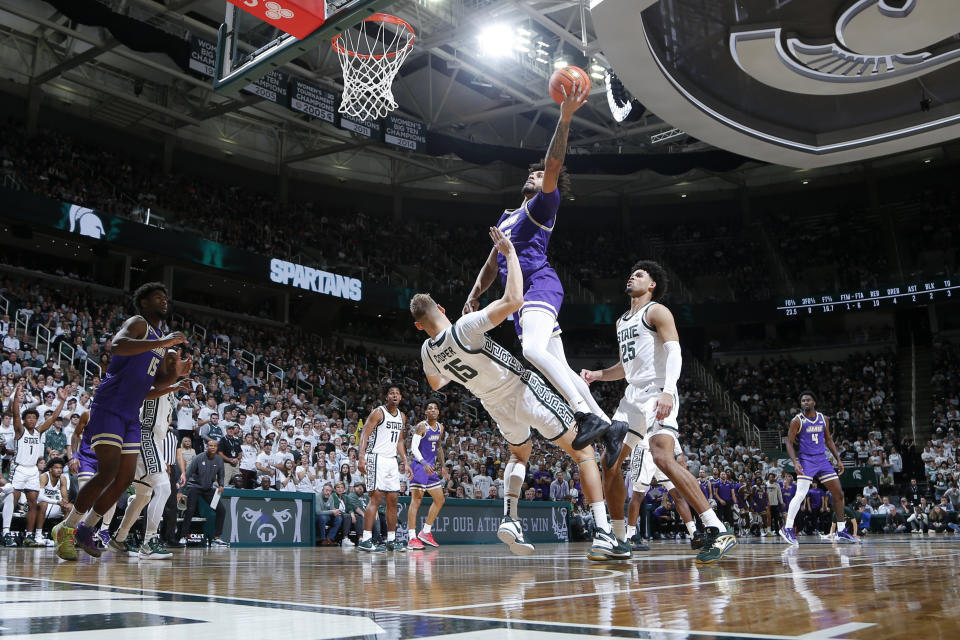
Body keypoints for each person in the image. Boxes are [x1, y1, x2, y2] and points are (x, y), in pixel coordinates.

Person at [413, 227, 624, 560]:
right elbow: (514, 301)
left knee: (518, 455)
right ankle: (604, 534)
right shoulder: (464, 328)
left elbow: (437, 384)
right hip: (522, 389)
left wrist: (462, 364)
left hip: (493, 405)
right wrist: (510, 254)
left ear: (418, 326)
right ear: (440, 307)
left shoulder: (427, 351)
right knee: (583, 453)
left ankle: (511, 516)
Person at [462, 81, 609, 445]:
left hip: (539, 284)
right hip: (517, 297)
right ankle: (610, 425)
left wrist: (565, 116)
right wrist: (474, 294)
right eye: (532, 173)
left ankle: (584, 414)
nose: (535, 175)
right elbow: (492, 264)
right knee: (556, 363)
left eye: (540, 174)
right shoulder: (509, 214)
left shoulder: (544, 205)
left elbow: (554, 161)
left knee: (531, 352)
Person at [581, 262, 737, 564]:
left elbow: (674, 351)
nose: (631, 276)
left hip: (657, 391)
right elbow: (625, 367)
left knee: (663, 457)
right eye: (631, 273)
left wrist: (668, 390)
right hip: (632, 396)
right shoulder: (622, 321)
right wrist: (598, 374)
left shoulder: (657, 311)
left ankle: (717, 528)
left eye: (639, 275)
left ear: (651, 285)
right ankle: (620, 539)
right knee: (609, 461)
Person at [52, 283, 192, 561]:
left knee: (125, 478)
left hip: (131, 413)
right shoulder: (138, 323)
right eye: (156, 297)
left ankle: (86, 529)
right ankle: (66, 528)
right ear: (143, 303)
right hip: (109, 405)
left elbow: (150, 387)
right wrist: (163, 344)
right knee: (108, 472)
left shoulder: (160, 342)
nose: (163, 301)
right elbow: (117, 345)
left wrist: (175, 376)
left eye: (165, 297)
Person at [109, 379, 189, 558]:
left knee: (143, 496)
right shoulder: (152, 379)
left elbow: (166, 418)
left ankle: (119, 538)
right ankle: (148, 543)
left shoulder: (172, 391)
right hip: (146, 435)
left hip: (155, 440)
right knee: (164, 488)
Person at [779, 391, 857, 545]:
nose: (805, 403)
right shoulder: (797, 420)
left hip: (822, 459)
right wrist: (795, 462)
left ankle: (841, 531)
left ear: (814, 402)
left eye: (808, 400)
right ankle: (787, 528)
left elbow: (829, 440)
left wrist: (838, 460)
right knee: (801, 493)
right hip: (806, 460)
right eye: (803, 401)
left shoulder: (823, 419)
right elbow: (789, 442)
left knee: (839, 494)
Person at [10, 383, 67, 546]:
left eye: (34, 417)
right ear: (24, 420)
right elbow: (15, 414)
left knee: (33, 503)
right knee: (12, 501)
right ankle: (5, 531)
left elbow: (53, 418)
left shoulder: (39, 431)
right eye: (29, 417)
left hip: (33, 471)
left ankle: (30, 535)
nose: (32, 419)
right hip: (19, 468)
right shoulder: (20, 430)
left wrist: (62, 402)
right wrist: (16, 397)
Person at [356, 385, 409, 552]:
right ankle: (365, 539)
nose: (395, 395)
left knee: (393, 499)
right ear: (386, 397)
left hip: (391, 460)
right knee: (376, 498)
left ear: (400, 397)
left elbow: (400, 441)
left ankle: (392, 540)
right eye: (391, 393)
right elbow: (364, 433)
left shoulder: (402, 416)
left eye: (397, 393)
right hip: (375, 457)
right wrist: (361, 457)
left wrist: (405, 461)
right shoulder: (378, 412)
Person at [407, 402, 446, 550]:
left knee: (440, 499)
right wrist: (423, 462)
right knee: (416, 500)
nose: (433, 410)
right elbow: (413, 448)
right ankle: (412, 537)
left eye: (435, 408)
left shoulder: (440, 427)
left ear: (438, 412)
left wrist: (443, 466)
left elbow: (439, 446)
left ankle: (426, 532)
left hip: (430, 468)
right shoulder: (421, 426)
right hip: (419, 466)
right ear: (425, 412)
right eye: (430, 408)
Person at [177, 438, 228, 546]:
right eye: (210, 446)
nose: (212, 447)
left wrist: (221, 485)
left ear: (217, 448)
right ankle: (183, 536)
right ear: (207, 447)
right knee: (190, 510)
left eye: (214, 446)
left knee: (221, 510)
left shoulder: (219, 460)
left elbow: (221, 475)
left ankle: (216, 537)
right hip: (195, 487)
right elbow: (187, 474)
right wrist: (181, 491)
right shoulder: (198, 458)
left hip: (208, 489)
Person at [36, 457, 71, 546]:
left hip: (50, 505)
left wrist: (64, 502)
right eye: (56, 468)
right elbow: (39, 497)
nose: (59, 470)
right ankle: (38, 535)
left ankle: (61, 536)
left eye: (60, 468)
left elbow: (65, 499)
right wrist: (57, 502)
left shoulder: (62, 478)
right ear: (50, 469)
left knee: (69, 507)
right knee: (44, 504)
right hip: (35, 506)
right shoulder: (44, 476)